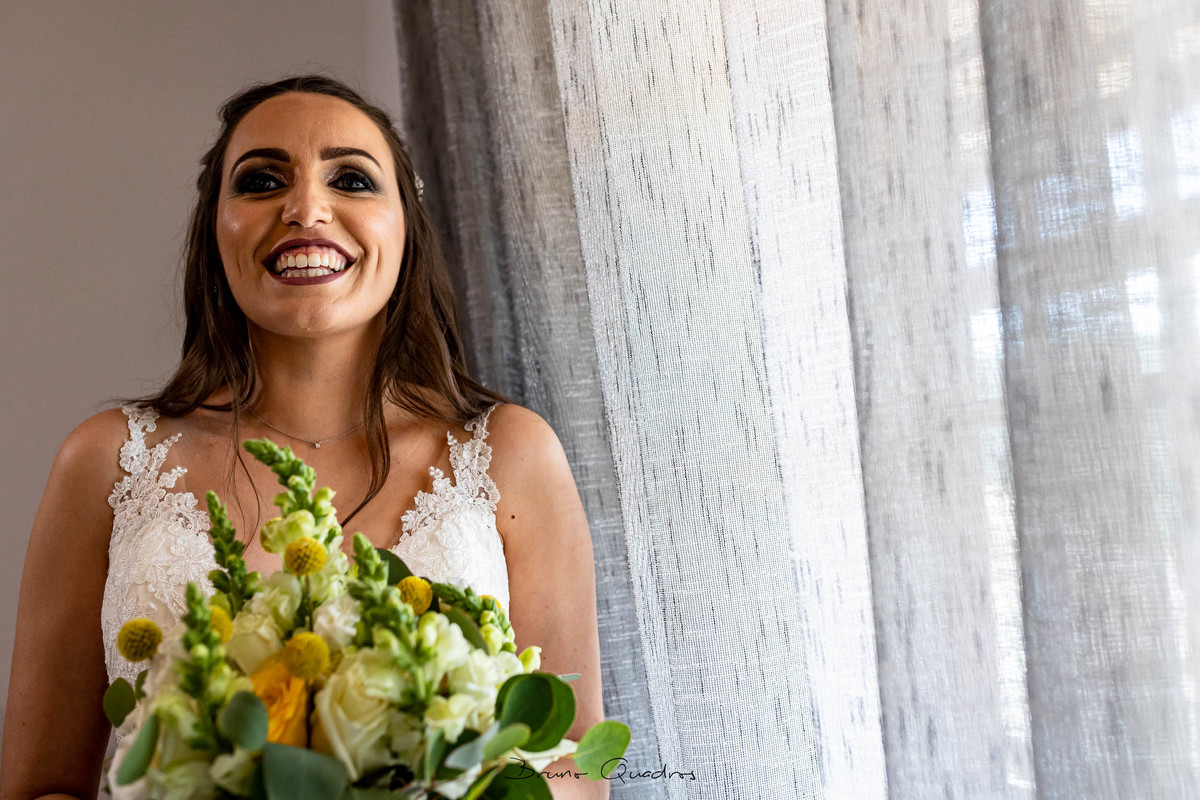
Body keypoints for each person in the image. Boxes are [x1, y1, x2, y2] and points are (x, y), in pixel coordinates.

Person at [0, 75, 607, 800]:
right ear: (216, 228)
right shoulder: (108, 460)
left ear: (405, 225)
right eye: (262, 181)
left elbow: (580, 762)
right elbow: (38, 786)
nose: (306, 209)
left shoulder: (509, 453)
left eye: (350, 179)